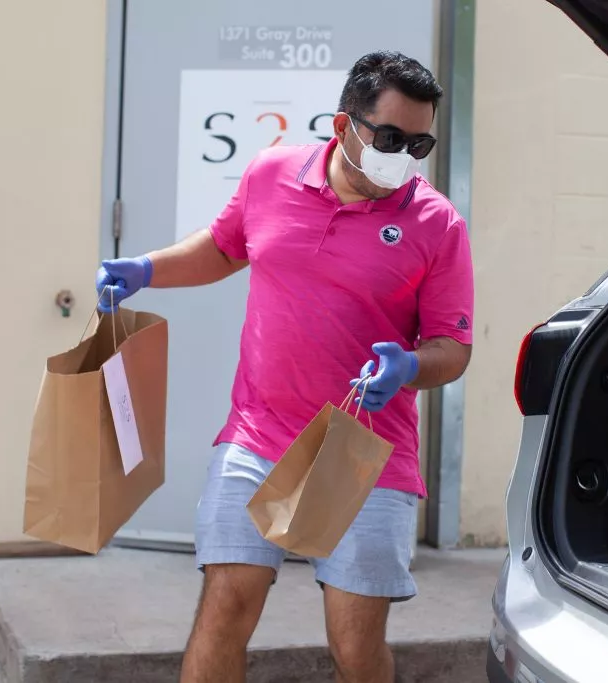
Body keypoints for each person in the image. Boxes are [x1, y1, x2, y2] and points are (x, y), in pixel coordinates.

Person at [95, 50, 474, 683]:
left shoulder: (436, 223)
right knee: (225, 610)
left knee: (353, 644)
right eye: (389, 138)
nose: (402, 155)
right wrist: (148, 270)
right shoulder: (271, 174)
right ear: (342, 125)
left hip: (363, 451)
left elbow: (452, 349)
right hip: (258, 436)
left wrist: (408, 367)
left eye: (419, 143)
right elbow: (222, 248)